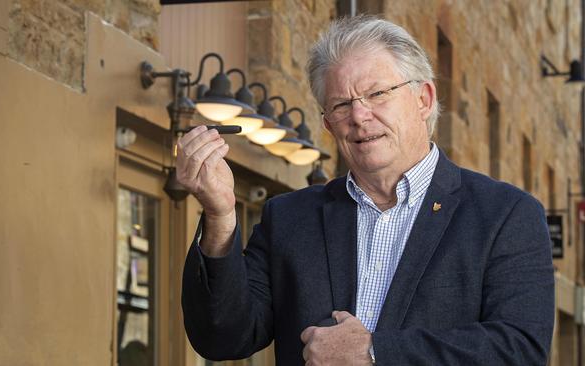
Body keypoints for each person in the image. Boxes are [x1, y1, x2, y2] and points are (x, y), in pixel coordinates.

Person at [178, 15, 554, 365]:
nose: (359, 116)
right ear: (328, 124)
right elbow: (222, 337)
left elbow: (519, 349)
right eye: (341, 104)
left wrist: (375, 352)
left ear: (423, 99)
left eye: (377, 94)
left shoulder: (504, 215)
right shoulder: (290, 218)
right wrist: (221, 216)